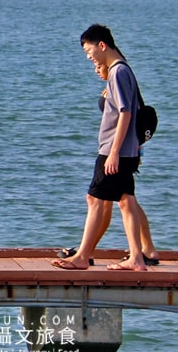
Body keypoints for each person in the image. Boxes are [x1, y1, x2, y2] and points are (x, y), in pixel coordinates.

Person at [52, 24, 154, 271]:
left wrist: (114, 152)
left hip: (115, 150)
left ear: (102, 45)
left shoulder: (118, 72)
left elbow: (125, 114)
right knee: (126, 201)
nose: (88, 57)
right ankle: (138, 259)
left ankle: (82, 257)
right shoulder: (122, 70)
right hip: (127, 150)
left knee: (95, 199)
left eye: (89, 51)